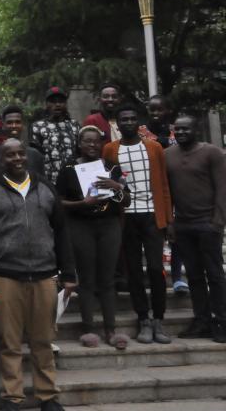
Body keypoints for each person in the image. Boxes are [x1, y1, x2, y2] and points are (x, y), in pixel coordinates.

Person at [0, 139, 76, 411]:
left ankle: (47, 396)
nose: (17, 158)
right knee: (9, 342)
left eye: (21, 153)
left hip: (44, 275)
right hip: (5, 275)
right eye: (10, 155)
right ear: (1, 159)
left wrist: (68, 273)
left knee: (43, 340)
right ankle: (13, 397)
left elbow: (62, 232)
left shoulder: (46, 188)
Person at [101, 104, 173, 345]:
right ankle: (143, 319)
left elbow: (164, 184)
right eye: (124, 119)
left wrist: (168, 219)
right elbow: (108, 182)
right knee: (133, 271)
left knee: (155, 269)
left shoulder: (154, 147)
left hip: (152, 215)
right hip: (126, 217)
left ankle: (158, 319)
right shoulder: (110, 149)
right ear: (117, 124)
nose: (129, 122)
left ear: (138, 122)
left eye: (133, 118)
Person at [54, 126, 130, 349]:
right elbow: (57, 202)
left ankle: (110, 329)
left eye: (96, 141)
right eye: (87, 141)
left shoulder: (112, 167)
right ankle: (88, 329)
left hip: (109, 226)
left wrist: (117, 187)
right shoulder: (68, 168)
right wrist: (82, 203)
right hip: (80, 226)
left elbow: (127, 201)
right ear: (79, 143)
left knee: (107, 279)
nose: (92, 145)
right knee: (86, 279)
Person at [165, 114, 226, 341]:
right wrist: (170, 222)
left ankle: (222, 320)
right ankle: (202, 320)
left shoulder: (212, 153)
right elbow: (167, 192)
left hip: (208, 223)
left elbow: (222, 187)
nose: (181, 132)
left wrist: (218, 220)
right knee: (194, 275)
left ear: (196, 130)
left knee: (215, 275)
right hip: (183, 225)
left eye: (186, 129)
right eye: (178, 129)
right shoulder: (167, 155)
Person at [139, 96, 186, 293]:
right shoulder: (140, 131)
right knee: (156, 234)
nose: (156, 113)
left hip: (175, 187)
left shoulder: (176, 131)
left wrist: (163, 141)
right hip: (151, 188)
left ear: (168, 110)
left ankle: (177, 276)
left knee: (176, 233)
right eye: (152, 109)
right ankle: (157, 274)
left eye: (160, 109)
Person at [30, 86, 81, 185]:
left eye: (61, 101)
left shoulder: (74, 125)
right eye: (53, 101)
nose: (57, 104)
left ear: (65, 104)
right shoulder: (37, 126)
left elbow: (80, 153)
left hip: (73, 178)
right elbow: (35, 156)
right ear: (46, 104)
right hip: (49, 180)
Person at [0, 106, 44, 175]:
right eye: (9, 122)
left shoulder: (35, 155)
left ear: (22, 125)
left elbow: (41, 180)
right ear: (3, 126)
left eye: (17, 122)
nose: (14, 126)